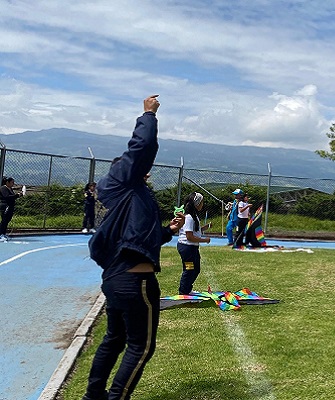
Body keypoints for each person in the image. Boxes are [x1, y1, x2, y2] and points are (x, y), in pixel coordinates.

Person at [83, 95, 185, 400]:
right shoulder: (124, 183)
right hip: (135, 282)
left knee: (114, 339)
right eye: (141, 169)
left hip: (118, 279)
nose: (148, 171)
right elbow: (141, 148)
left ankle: (93, 396)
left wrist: (167, 231)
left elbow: (139, 238)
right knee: (141, 346)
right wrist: (148, 116)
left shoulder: (128, 198)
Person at [177, 192, 211, 294]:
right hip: (187, 248)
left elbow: (195, 230)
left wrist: (206, 227)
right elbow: (189, 236)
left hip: (192, 248)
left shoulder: (194, 216)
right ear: (196, 204)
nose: (202, 204)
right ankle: (183, 291)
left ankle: (187, 289)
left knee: (196, 269)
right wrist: (204, 240)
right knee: (189, 269)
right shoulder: (189, 218)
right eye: (201, 202)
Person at [0, 176, 22, 241]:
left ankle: (3, 233)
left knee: (7, 220)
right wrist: (17, 195)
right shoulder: (3, 188)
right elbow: (7, 196)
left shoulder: (10, 189)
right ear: (7, 182)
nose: (13, 184)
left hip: (10, 206)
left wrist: (18, 195)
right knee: (4, 220)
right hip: (5, 206)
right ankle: (0, 234)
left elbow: (13, 197)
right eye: (12, 182)